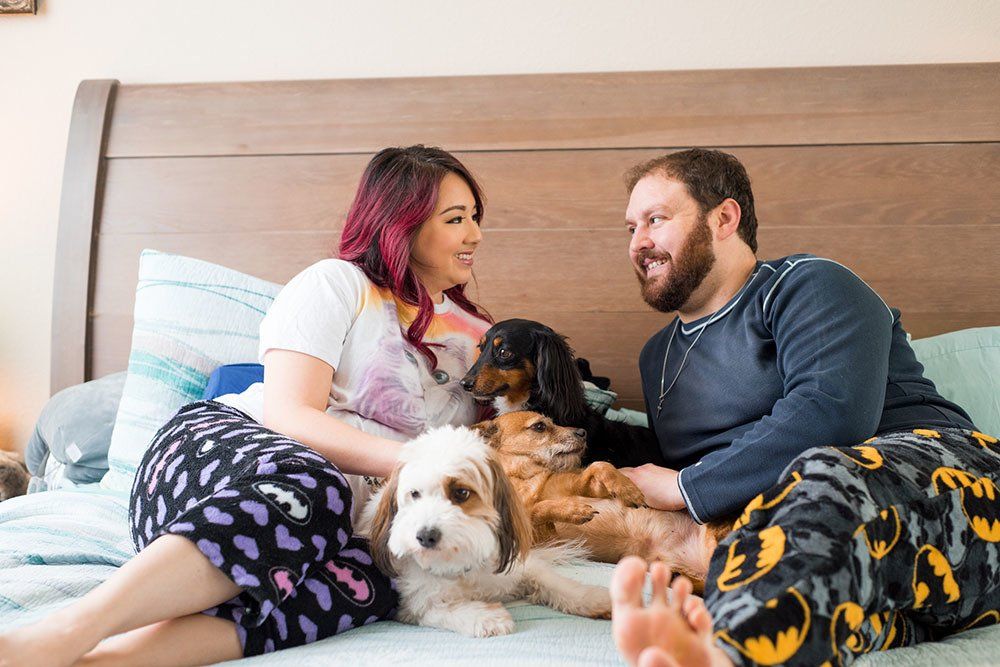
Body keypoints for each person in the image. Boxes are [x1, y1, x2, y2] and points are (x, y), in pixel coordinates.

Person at [0, 145, 492, 667]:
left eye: (475, 218)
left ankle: (101, 662)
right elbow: (289, 413)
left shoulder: (484, 342)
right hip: (214, 462)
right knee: (315, 491)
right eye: (456, 219)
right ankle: (67, 629)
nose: (475, 235)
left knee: (374, 579)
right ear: (401, 223)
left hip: (333, 527)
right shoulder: (338, 284)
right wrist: (412, 462)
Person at [611, 148, 1000, 666]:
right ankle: (732, 643)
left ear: (724, 218)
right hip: (867, 562)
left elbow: (832, 412)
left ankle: (725, 658)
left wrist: (686, 486)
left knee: (822, 473)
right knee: (764, 562)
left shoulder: (806, 283)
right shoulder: (656, 357)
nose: (640, 242)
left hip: (953, 482)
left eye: (656, 219)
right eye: (631, 228)